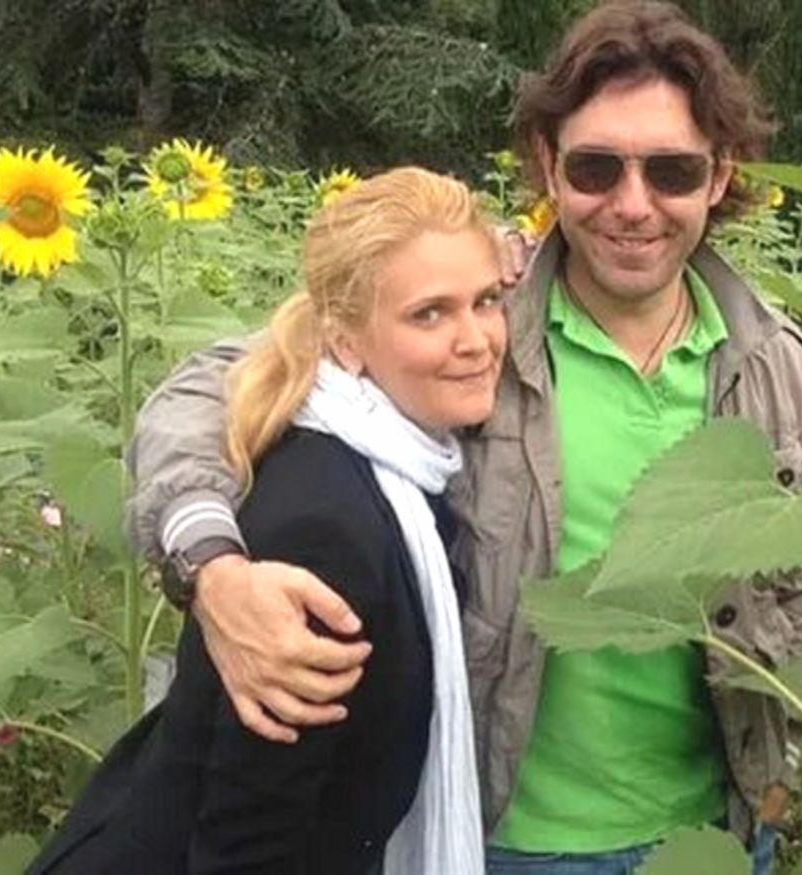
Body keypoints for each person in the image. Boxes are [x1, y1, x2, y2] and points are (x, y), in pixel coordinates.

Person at [125, 3, 802, 873]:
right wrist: (212, 568)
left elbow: (800, 576)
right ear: (547, 164)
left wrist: (780, 754)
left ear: (719, 175)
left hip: (714, 836)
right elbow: (214, 387)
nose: (632, 204)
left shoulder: (770, 361)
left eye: (673, 171)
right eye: (596, 167)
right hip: (504, 836)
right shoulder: (479, 326)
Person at [31, 168, 501, 875]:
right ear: (344, 341)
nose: (476, 339)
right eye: (429, 314)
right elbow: (250, 836)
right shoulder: (325, 530)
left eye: (486, 301)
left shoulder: (405, 466)